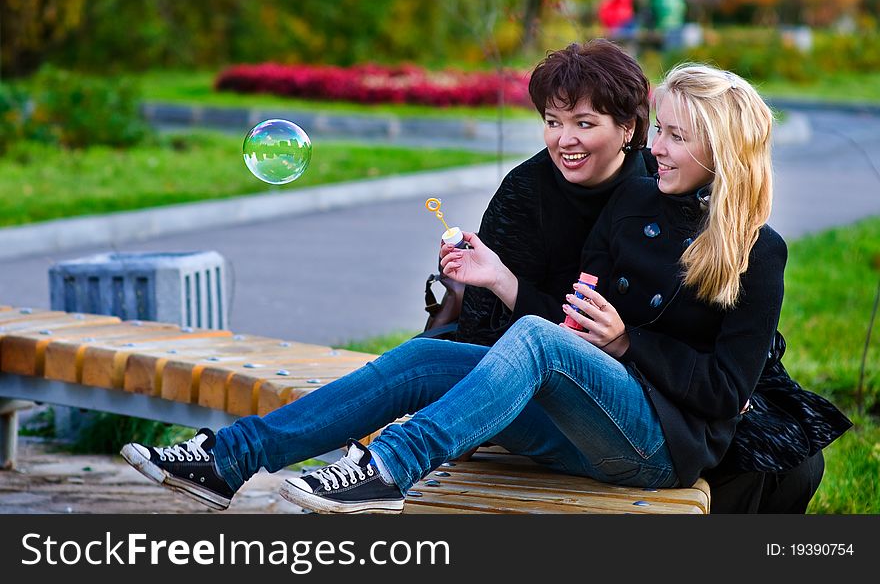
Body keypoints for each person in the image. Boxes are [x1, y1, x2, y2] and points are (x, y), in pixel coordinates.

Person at [120, 64, 849, 514]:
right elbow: (561, 332)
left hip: (657, 445)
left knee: (533, 338)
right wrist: (506, 285)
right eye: (658, 129)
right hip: (578, 419)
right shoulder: (634, 203)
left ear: (722, 148)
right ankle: (230, 459)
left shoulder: (759, 251)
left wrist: (627, 340)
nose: (655, 146)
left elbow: (724, 394)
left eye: (676, 136)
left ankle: (388, 467)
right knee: (423, 360)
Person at [444, 38, 655, 347]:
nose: (564, 140)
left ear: (629, 127)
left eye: (584, 124)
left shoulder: (660, 183)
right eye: (553, 122)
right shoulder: (524, 191)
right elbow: (479, 329)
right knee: (413, 361)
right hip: (515, 365)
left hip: (623, 380)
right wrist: (502, 281)